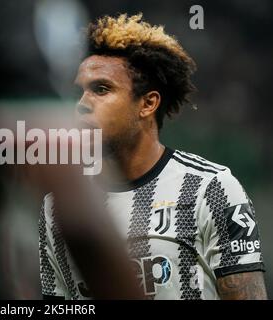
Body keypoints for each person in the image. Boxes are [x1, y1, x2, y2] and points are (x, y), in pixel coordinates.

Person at [39, 13, 267, 300]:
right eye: (79, 92)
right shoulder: (57, 205)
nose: (82, 105)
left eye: (101, 89)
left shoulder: (212, 189)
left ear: (147, 103)